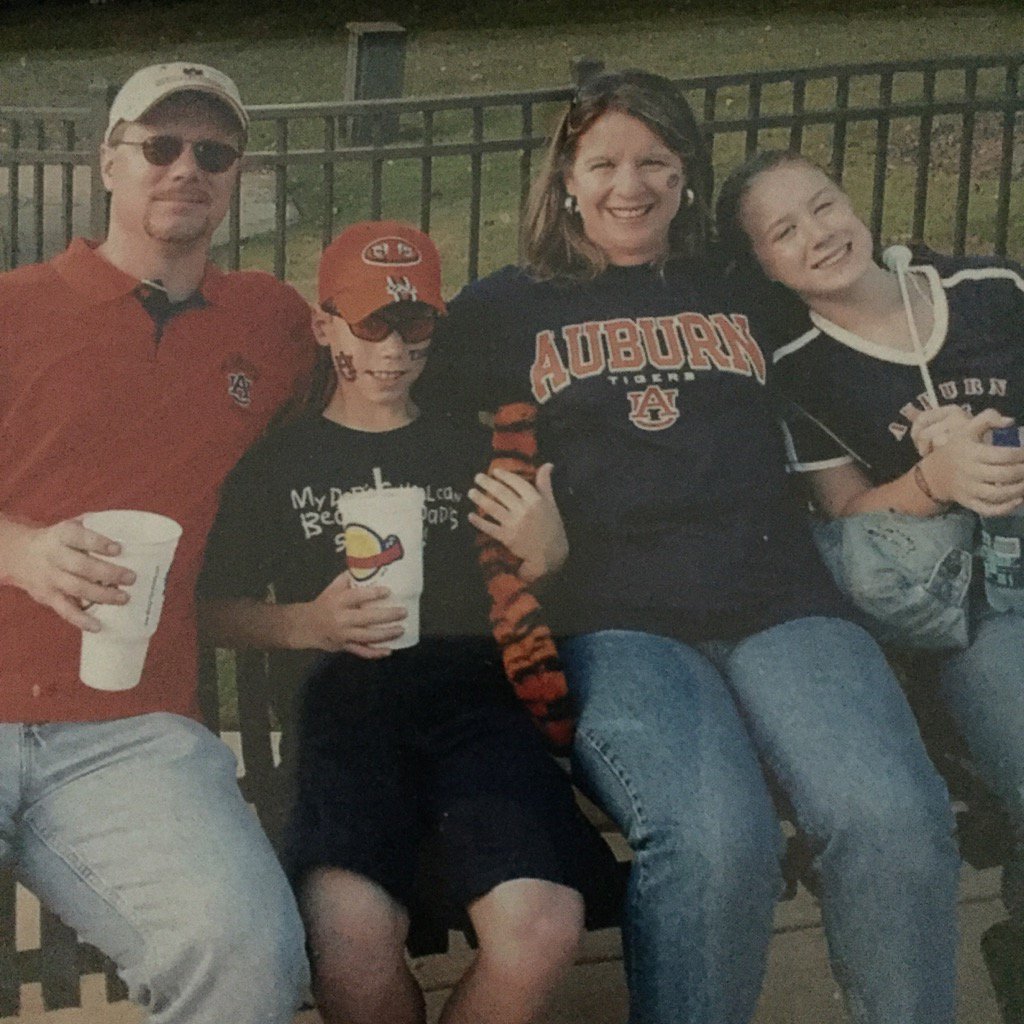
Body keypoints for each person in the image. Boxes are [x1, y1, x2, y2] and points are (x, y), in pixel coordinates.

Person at [423, 69, 962, 1024]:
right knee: (717, 841)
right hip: (620, 623)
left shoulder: (744, 288)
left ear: (685, 175)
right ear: (566, 178)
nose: (629, 186)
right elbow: (395, 416)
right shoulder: (506, 308)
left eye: (655, 162)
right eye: (604, 164)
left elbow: (874, 309)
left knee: (893, 818)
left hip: (781, 602)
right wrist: (520, 542)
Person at [198, 220, 621, 1024]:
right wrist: (304, 624)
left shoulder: (477, 446)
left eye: (414, 324)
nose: (392, 350)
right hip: (342, 713)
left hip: (475, 706)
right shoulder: (281, 461)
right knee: (346, 937)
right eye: (369, 325)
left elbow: (546, 604)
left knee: (540, 926)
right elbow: (206, 608)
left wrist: (549, 554)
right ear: (324, 326)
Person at [0, 62, 315, 1023]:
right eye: (159, 146)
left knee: (249, 956)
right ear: (108, 162)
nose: (187, 168)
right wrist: (18, 551)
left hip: (131, 733)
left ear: (235, 179)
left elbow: (397, 373)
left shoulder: (270, 326)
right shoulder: (11, 311)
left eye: (213, 153)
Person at [716, 146, 1024, 976]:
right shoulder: (800, 372)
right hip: (976, 608)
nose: (818, 234)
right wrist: (933, 479)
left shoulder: (993, 291)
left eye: (823, 206)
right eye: (784, 232)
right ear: (764, 266)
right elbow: (849, 513)